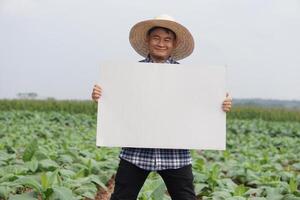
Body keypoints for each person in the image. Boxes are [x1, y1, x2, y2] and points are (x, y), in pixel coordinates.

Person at [92, 14, 232, 200]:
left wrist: (220, 104)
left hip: (176, 155)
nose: (161, 43)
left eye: (167, 39)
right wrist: (102, 96)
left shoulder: (189, 77)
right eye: (156, 38)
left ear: (173, 45)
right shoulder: (128, 75)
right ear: (148, 41)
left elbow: (201, 106)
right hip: (135, 153)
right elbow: (118, 104)